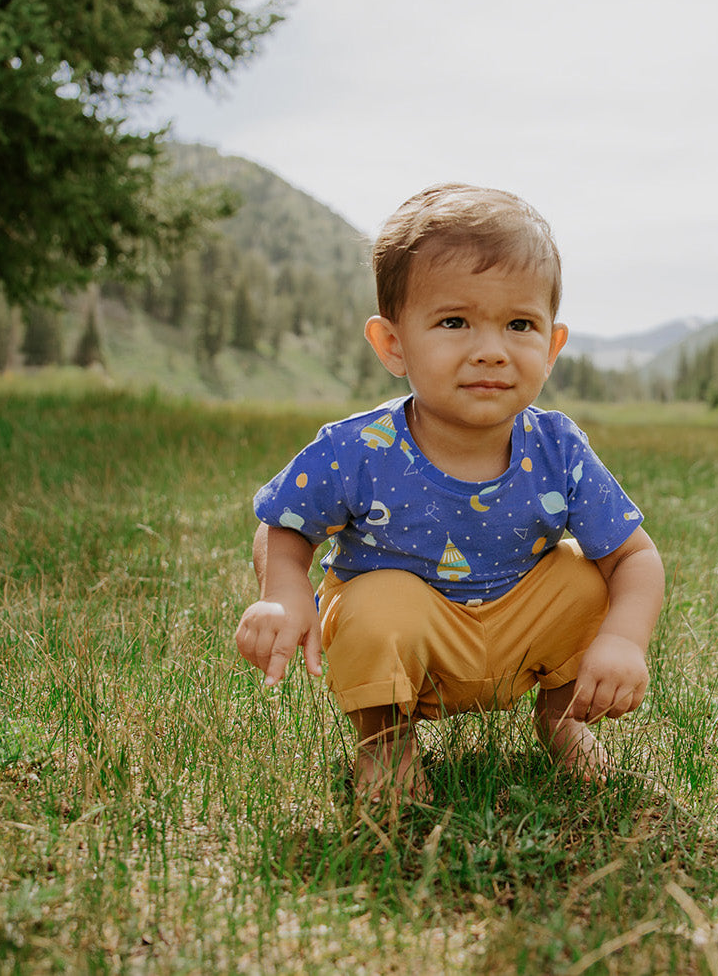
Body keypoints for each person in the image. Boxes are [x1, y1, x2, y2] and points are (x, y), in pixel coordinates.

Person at [234, 183, 665, 804]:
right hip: (412, 642)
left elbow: (635, 557)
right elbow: (284, 524)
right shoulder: (358, 449)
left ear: (551, 346)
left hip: (517, 625)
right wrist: (283, 593)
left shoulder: (557, 446)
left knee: (586, 575)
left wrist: (623, 640)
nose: (490, 350)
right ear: (394, 345)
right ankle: (385, 740)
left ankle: (562, 717)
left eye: (519, 324)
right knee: (378, 601)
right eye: (454, 321)